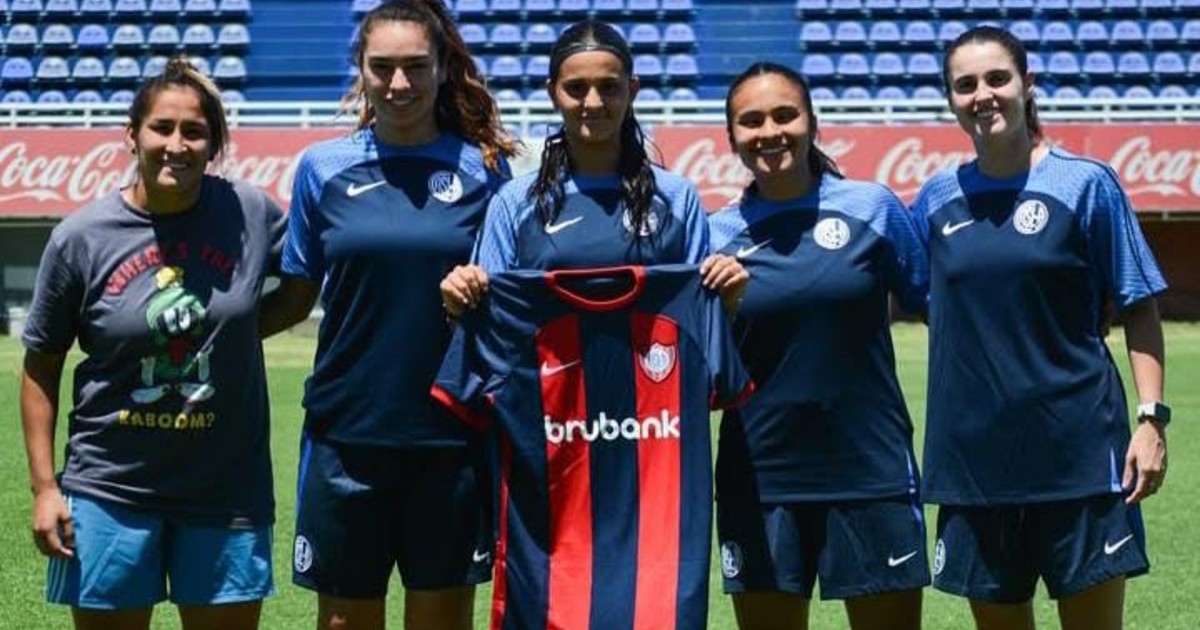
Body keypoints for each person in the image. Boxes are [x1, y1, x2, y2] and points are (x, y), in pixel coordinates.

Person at [257, 1, 517, 628]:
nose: (399, 83)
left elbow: (507, 302)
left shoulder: (484, 170)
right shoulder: (322, 168)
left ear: (442, 69)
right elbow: (295, 296)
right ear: (361, 70)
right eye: (382, 67)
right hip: (347, 434)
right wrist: (212, 336)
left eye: (416, 67)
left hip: (451, 437)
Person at [911, 25, 1169, 630]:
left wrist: (1152, 419)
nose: (983, 95)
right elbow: (913, 296)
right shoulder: (935, 198)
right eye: (965, 85)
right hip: (975, 462)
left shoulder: (1086, 183)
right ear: (950, 99)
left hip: (1080, 454)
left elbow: (1138, 304)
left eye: (997, 78)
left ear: (1027, 84)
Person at [20, 57, 284, 630]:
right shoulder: (81, 238)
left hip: (226, 490)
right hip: (109, 488)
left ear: (214, 145)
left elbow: (307, 274)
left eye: (194, 131)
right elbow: (40, 365)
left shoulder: (249, 213)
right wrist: (44, 488)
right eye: (162, 127)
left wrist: (238, 332)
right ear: (132, 134)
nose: (176, 145)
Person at [707, 62, 930, 630]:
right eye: (751, 121)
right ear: (731, 137)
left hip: (871, 469)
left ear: (812, 122)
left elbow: (944, 310)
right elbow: (701, 373)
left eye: (785, 115)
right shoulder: (714, 236)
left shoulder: (873, 208)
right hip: (759, 478)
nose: (770, 131)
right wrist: (723, 309)